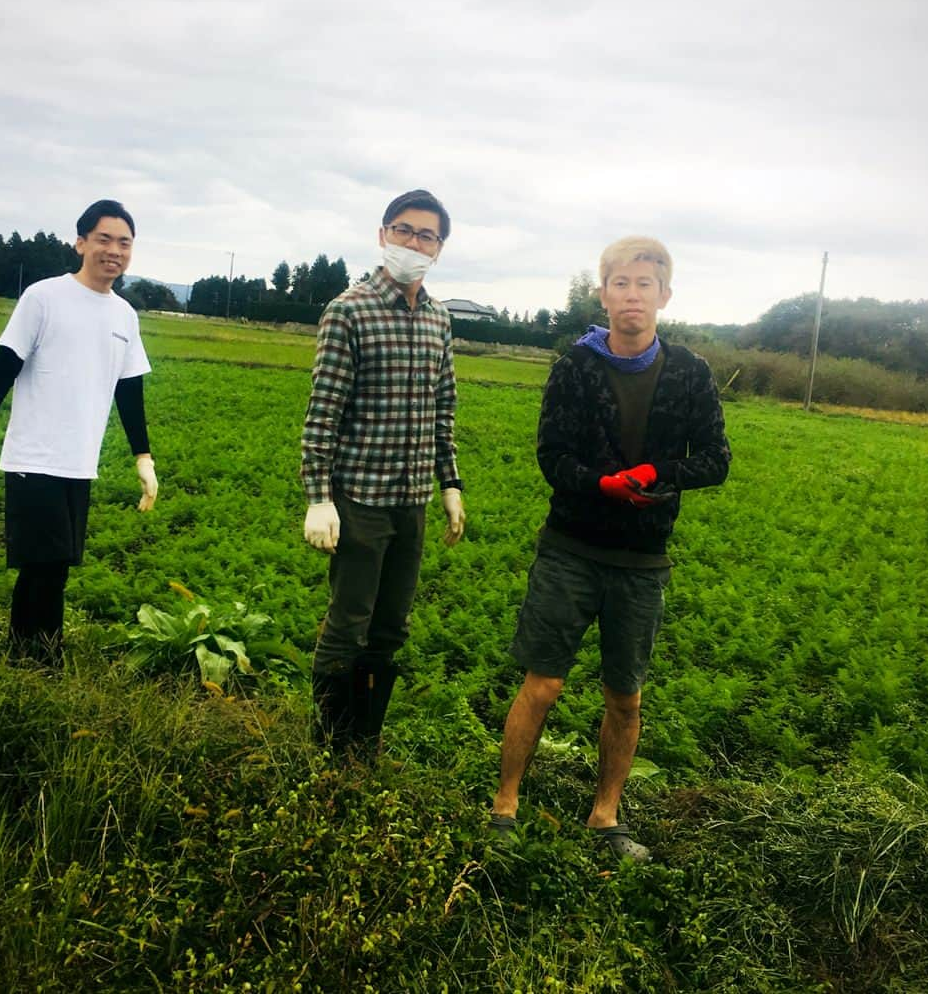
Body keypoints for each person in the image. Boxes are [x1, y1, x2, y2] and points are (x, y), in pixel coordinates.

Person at [490, 236, 730, 861]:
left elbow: (715, 461)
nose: (632, 296)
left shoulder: (691, 373)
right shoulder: (574, 367)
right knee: (541, 684)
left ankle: (605, 817)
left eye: (644, 285)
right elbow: (552, 455)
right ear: (603, 294)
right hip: (570, 547)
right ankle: (504, 806)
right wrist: (600, 484)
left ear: (664, 296)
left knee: (625, 696)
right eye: (620, 284)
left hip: (642, 561)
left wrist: (654, 476)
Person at [0, 199, 158, 666]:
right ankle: (40, 663)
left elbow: (130, 392)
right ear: (81, 242)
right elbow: (3, 367)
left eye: (124, 242)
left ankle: (27, 660)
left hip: (78, 462)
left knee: (54, 568)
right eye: (104, 239)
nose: (114, 250)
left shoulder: (124, 316)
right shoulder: (45, 297)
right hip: (34, 456)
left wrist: (143, 460)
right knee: (43, 568)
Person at [301, 188, 465, 756]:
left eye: (427, 236)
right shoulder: (350, 310)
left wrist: (450, 483)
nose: (414, 243)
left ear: (439, 248)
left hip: (412, 497)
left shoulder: (439, 320)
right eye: (404, 230)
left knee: (391, 626)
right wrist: (319, 496)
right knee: (349, 621)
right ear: (382, 235)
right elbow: (324, 414)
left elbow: (443, 409)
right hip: (360, 500)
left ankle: (362, 746)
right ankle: (326, 746)